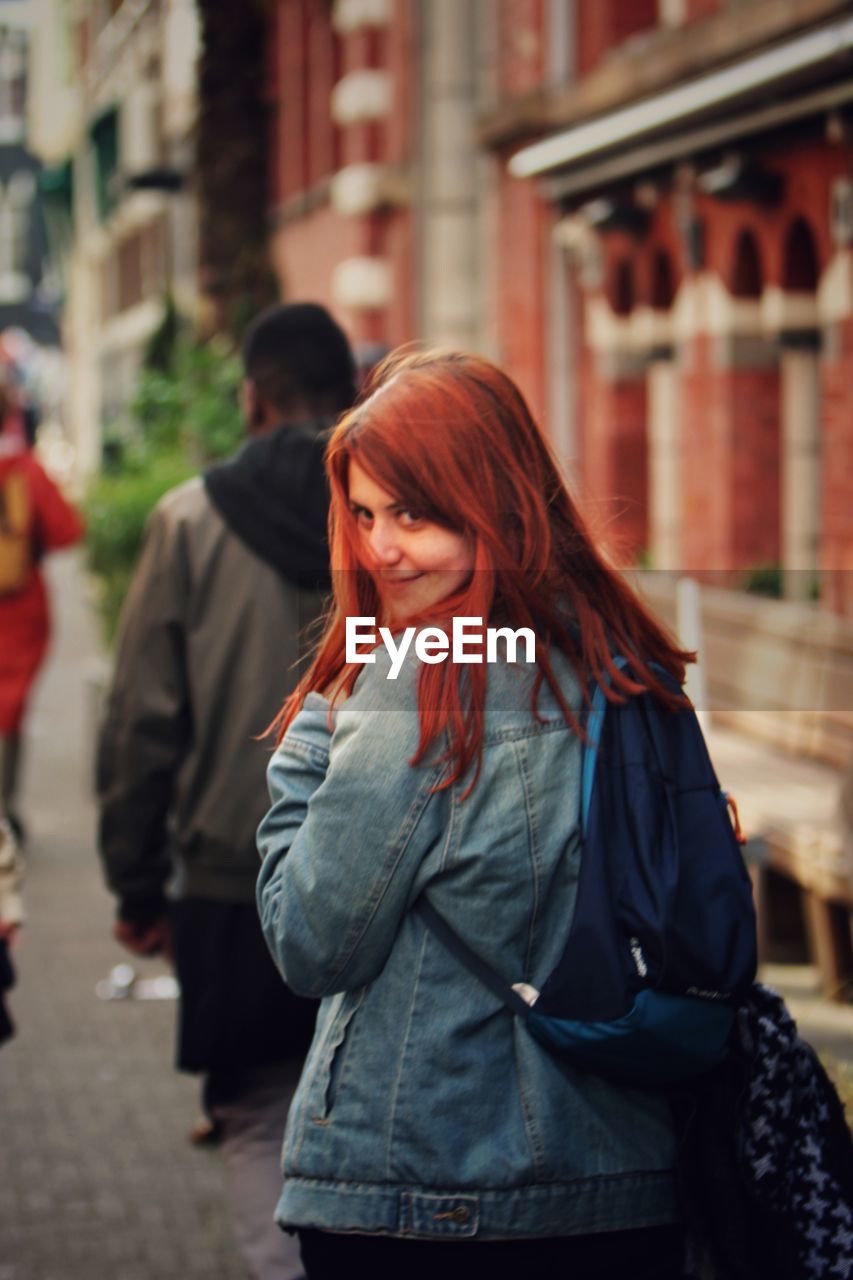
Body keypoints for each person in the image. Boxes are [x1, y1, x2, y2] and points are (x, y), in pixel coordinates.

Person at [256, 348, 693, 1279]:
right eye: (365, 515)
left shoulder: (418, 683)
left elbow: (308, 940)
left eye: (412, 513)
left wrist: (316, 726)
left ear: (490, 502)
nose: (378, 550)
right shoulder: (619, 658)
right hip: (629, 1180)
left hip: (434, 1193)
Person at [97, 303, 357, 1280]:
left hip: (227, 878)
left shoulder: (188, 520)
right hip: (393, 871)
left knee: (252, 1110)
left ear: (252, 397)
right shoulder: (398, 515)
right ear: (356, 393)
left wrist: (132, 884)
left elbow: (140, 722)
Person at [0, 374, 83, 844]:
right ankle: (6, 807)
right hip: (19, 607)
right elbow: (67, 529)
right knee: (7, 712)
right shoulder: (23, 469)